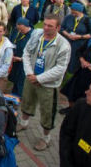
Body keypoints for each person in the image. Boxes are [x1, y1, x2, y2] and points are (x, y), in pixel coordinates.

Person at [17, 14, 71, 151]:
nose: (45, 28)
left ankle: (45, 138)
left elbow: (60, 69)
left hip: (47, 85)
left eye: (50, 26)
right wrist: (29, 73)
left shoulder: (63, 45)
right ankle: (24, 123)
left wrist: (39, 79)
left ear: (58, 28)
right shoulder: (37, 36)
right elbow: (26, 53)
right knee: (27, 101)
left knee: (47, 111)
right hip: (31, 78)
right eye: (45, 24)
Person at [61, 2, 91, 74]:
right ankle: (62, 70)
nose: (73, 13)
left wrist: (80, 36)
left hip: (79, 44)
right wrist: (67, 35)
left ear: (80, 11)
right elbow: (62, 28)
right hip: (67, 41)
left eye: (75, 12)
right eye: (72, 11)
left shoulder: (88, 20)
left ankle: (72, 71)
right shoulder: (68, 17)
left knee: (74, 58)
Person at [9, 17, 33, 97]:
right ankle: (14, 96)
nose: (19, 31)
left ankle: (21, 98)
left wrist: (21, 59)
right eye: (18, 29)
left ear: (26, 26)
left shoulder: (32, 35)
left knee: (21, 82)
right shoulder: (16, 31)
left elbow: (33, 54)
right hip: (15, 61)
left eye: (21, 30)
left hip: (24, 63)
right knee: (14, 79)